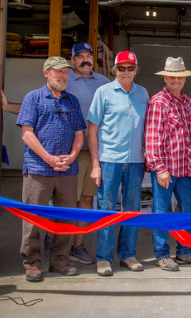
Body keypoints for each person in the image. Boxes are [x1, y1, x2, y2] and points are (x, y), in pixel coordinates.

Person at [16, 55, 87, 282]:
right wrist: (48, 158)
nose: (63, 75)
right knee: (34, 218)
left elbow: (79, 133)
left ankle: (59, 260)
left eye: (65, 71)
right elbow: (27, 133)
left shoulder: (72, 101)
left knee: (66, 218)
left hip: (67, 169)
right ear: (46, 73)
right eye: (58, 71)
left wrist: (73, 155)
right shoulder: (33, 98)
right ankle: (33, 263)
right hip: (39, 168)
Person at [144, 56, 191, 271]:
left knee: (190, 207)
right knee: (161, 210)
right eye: (172, 76)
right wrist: (160, 169)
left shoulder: (188, 102)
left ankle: (185, 251)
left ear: (185, 79)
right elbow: (152, 139)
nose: (176, 80)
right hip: (166, 170)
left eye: (179, 76)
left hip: (185, 169)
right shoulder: (158, 102)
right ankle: (162, 254)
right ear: (165, 77)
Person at [87, 50, 150, 276]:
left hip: (135, 162)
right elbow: (92, 131)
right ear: (114, 70)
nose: (125, 72)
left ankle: (127, 255)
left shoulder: (143, 93)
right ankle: (103, 258)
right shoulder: (103, 92)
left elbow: (148, 130)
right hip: (109, 160)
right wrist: (95, 164)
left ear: (135, 71)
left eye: (130, 68)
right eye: (121, 68)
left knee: (132, 209)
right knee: (106, 208)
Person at [65, 41, 111, 264]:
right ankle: (55, 240)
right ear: (72, 60)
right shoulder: (64, 79)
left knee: (86, 199)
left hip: (93, 151)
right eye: (80, 56)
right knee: (65, 199)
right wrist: (8, 107)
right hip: (68, 150)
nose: (86, 60)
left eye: (89, 56)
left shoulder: (104, 82)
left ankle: (78, 246)